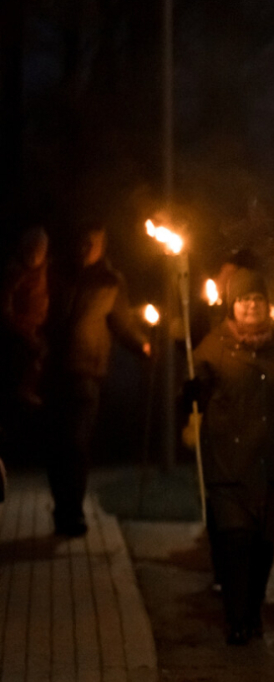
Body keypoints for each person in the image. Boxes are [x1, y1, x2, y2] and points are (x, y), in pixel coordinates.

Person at [187, 261, 274, 643]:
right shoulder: (214, 345)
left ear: (268, 304)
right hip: (229, 462)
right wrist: (193, 390)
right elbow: (195, 389)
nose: (250, 307)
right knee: (234, 540)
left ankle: (253, 610)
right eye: (243, 300)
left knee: (262, 546)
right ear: (231, 305)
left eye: (257, 299)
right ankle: (235, 617)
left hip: (272, 460)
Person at [44, 225, 151, 536]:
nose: (87, 246)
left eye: (94, 241)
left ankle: (74, 512)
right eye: (83, 240)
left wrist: (141, 344)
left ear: (102, 245)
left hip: (87, 372)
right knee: (56, 446)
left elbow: (121, 322)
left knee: (76, 443)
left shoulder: (110, 281)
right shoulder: (56, 273)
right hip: (54, 370)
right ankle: (62, 508)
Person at [2, 226, 51, 412]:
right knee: (30, 355)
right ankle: (22, 390)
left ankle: (28, 389)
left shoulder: (43, 269)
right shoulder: (16, 272)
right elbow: (5, 301)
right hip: (18, 328)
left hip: (33, 326)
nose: (35, 255)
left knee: (40, 353)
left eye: (39, 250)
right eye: (31, 250)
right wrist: (14, 323)